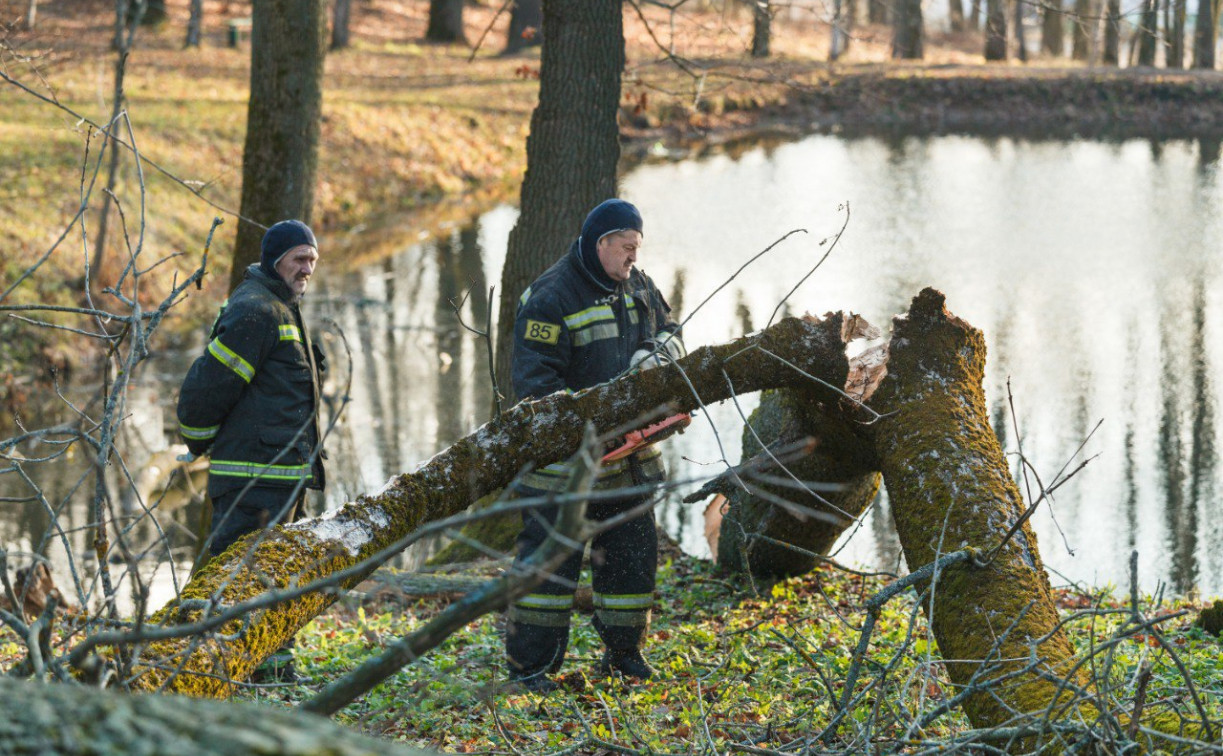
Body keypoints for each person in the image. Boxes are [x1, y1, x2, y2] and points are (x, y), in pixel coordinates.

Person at [505, 198, 685, 693]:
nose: (632, 258)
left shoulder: (640, 286)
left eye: (636, 249)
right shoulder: (549, 298)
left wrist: (658, 356)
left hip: (632, 466)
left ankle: (623, 654)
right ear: (601, 242)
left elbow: (673, 333)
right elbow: (537, 389)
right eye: (625, 248)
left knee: (631, 566)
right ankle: (530, 671)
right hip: (564, 473)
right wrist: (597, 421)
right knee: (546, 576)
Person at [176, 219, 327, 682]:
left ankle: (273, 674)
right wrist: (196, 440)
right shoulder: (257, 310)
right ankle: (181, 667)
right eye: (299, 258)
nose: (306, 269)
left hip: (278, 477)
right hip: (252, 479)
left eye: (312, 261)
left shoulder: (281, 306)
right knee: (229, 580)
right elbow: (206, 391)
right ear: (274, 258)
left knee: (273, 578)